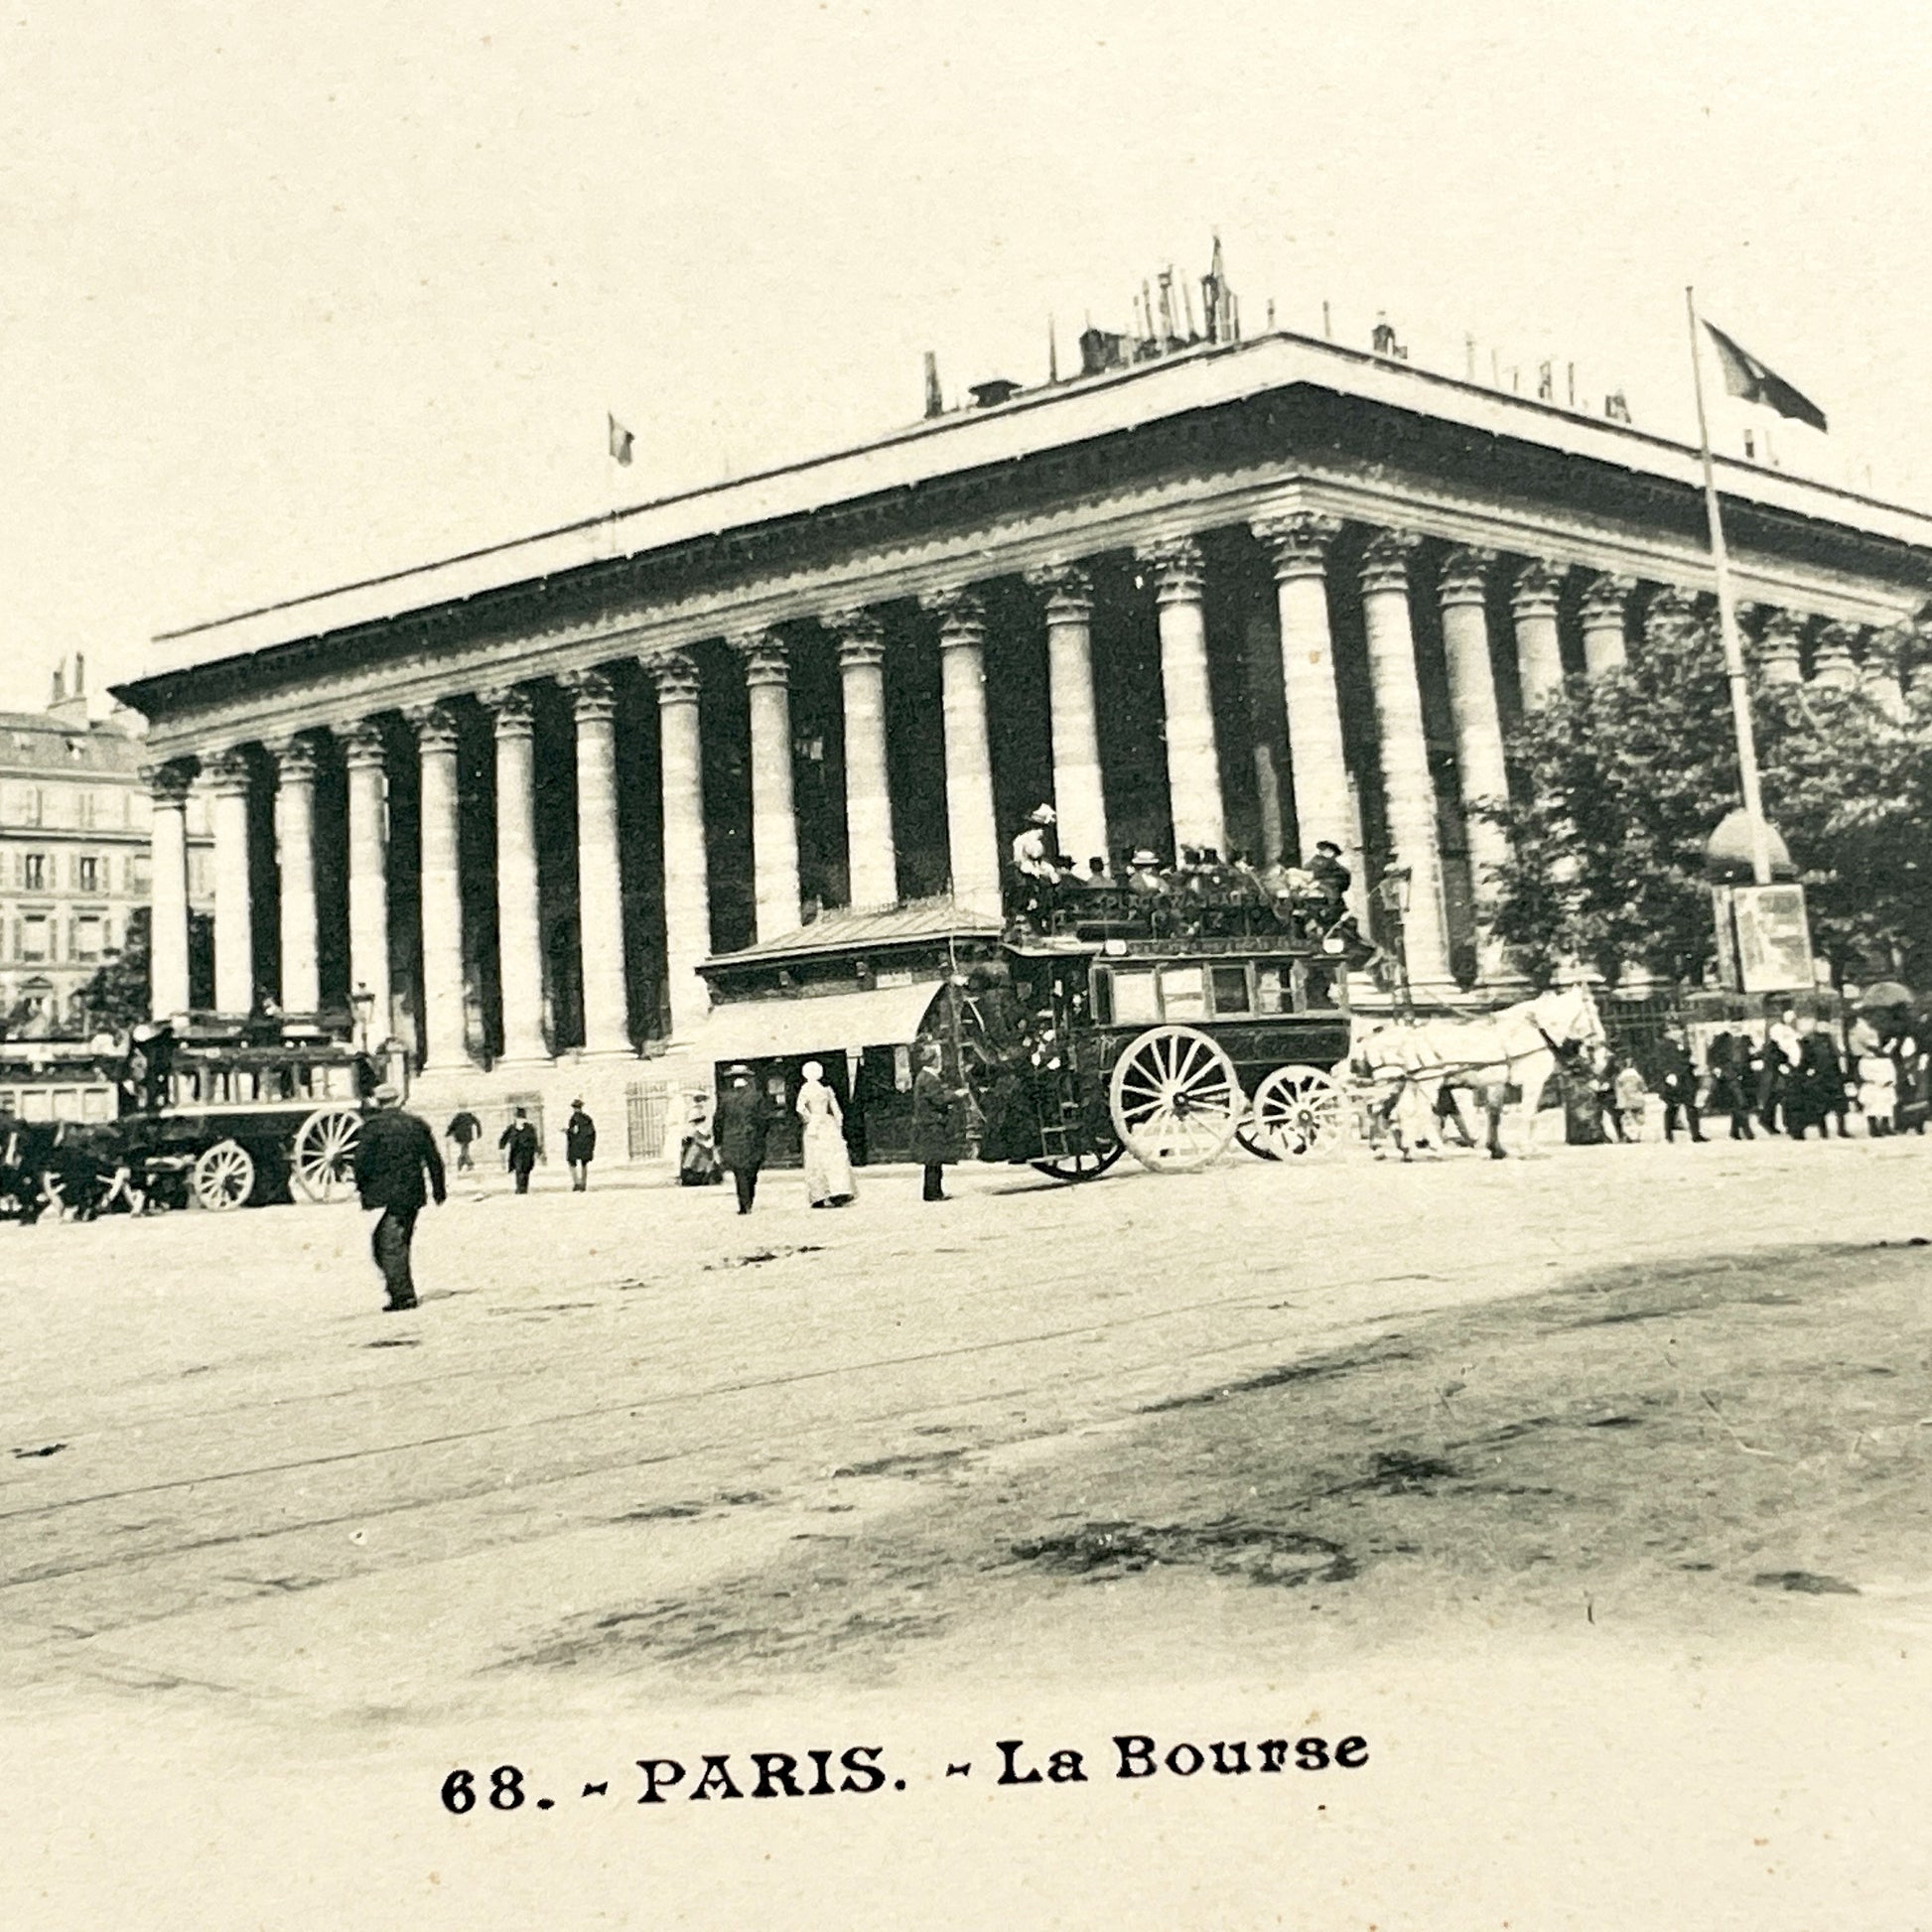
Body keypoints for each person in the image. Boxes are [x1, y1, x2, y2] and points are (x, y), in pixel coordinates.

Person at [351, 1082, 446, 1312]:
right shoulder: (416, 1125)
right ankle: (401, 1291)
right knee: (393, 1241)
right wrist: (438, 1189)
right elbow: (434, 1159)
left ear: (378, 1102)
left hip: (388, 1194)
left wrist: (363, 1188)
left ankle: (403, 1296)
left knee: (389, 1244)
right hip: (412, 1192)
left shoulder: (372, 1128)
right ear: (399, 1100)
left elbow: (361, 1162)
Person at [714, 1064, 776, 1214]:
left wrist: (718, 1141)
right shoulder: (756, 1097)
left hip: (733, 1140)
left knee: (739, 1172)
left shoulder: (725, 1099)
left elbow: (718, 1122)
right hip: (752, 1139)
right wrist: (761, 1135)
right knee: (751, 1172)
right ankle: (748, 1200)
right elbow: (764, 1120)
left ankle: (744, 1204)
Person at [909, 1044, 966, 1202]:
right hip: (932, 1124)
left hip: (928, 1123)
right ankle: (933, 1193)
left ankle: (934, 1191)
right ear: (934, 1060)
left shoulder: (924, 1076)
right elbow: (938, 1099)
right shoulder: (929, 1078)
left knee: (933, 1161)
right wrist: (956, 1095)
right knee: (934, 1160)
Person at [796, 1061, 855, 1207]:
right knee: (833, 1159)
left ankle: (819, 1195)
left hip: (815, 1126)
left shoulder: (806, 1089)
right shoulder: (826, 1090)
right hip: (828, 1125)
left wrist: (810, 1119)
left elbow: (800, 1108)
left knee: (816, 1160)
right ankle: (838, 1190)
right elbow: (837, 1111)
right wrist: (838, 1125)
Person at [1704, 1031, 1756, 1141]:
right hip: (1729, 1074)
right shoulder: (1722, 1038)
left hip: (1745, 1075)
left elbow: (1751, 1056)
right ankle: (1747, 1131)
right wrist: (1715, 1068)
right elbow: (1712, 1056)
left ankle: (1735, 1131)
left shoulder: (1746, 1039)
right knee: (1741, 1102)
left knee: (1738, 1102)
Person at [1655, 1027, 1705, 1143]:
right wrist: (1668, 1074)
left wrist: (1693, 1065)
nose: (1679, 1033)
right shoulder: (1664, 1045)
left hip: (1686, 1078)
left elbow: (1685, 1059)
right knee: (1672, 1107)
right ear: (1669, 1033)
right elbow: (1662, 1062)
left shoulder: (1682, 1043)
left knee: (1691, 1106)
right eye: (1676, 1030)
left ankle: (1695, 1134)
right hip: (1674, 1078)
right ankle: (1668, 1134)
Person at [678, 1090, 723, 1186]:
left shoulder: (701, 1109)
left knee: (701, 1157)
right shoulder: (695, 1110)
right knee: (693, 1157)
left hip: (697, 1135)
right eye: (700, 1099)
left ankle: (702, 1175)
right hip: (694, 1135)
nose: (701, 1101)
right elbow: (694, 1124)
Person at [499, 1106, 539, 1193]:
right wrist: (502, 1147)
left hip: (527, 1152)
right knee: (518, 1169)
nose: (520, 1120)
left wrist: (537, 1150)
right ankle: (519, 1188)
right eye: (518, 1118)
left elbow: (534, 1140)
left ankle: (524, 1188)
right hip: (516, 1152)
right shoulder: (512, 1128)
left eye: (522, 1118)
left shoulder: (530, 1128)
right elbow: (504, 1138)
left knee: (526, 1170)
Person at [564, 1099, 597, 1190]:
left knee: (572, 1163)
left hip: (575, 1145)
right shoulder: (587, 1118)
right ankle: (583, 1183)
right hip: (586, 1145)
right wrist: (591, 1145)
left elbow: (574, 1131)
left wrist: (566, 1131)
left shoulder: (574, 1118)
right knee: (584, 1164)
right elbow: (593, 1132)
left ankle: (577, 1183)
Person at [445, 1108, 481, 1172]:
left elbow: (452, 1126)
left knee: (464, 1149)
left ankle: (462, 1163)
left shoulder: (458, 1117)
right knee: (464, 1149)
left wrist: (448, 1133)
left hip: (459, 1136)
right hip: (467, 1136)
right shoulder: (470, 1116)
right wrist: (479, 1133)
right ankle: (468, 1163)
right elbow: (477, 1123)